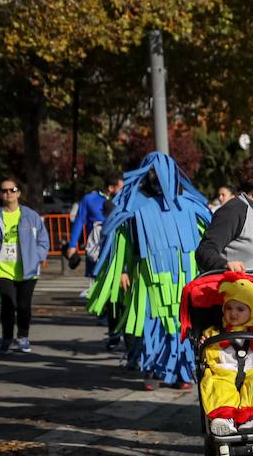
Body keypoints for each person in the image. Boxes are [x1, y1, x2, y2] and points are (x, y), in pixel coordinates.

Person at [86, 152, 210, 387]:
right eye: (152, 171)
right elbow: (119, 237)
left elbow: (205, 237)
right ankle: (152, 370)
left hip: (182, 276)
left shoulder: (188, 205)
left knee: (179, 322)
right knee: (151, 321)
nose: (157, 176)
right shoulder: (135, 204)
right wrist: (122, 269)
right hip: (147, 276)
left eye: (161, 171)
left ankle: (181, 372)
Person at [199, 275, 253, 436]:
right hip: (225, 371)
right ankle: (225, 419)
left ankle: (252, 418)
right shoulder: (217, 331)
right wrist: (206, 342)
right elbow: (210, 353)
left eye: (240, 309)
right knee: (217, 385)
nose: (233, 313)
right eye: (229, 308)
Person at [0, 179, 49, 353]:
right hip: (2, 269)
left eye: (12, 190)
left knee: (23, 306)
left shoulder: (31, 215)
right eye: (4, 191)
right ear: (0, 194)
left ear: (18, 193)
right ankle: (7, 338)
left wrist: (37, 257)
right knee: (8, 304)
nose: (8, 193)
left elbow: (43, 240)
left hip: (28, 269)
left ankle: (23, 336)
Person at [65, 172, 125, 347]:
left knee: (121, 293)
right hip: (98, 252)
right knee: (107, 290)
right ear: (111, 188)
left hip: (121, 251)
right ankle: (110, 325)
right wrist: (72, 245)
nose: (123, 191)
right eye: (120, 188)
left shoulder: (124, 199)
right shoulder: (90, 200)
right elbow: (79, 221)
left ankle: (118, 327)